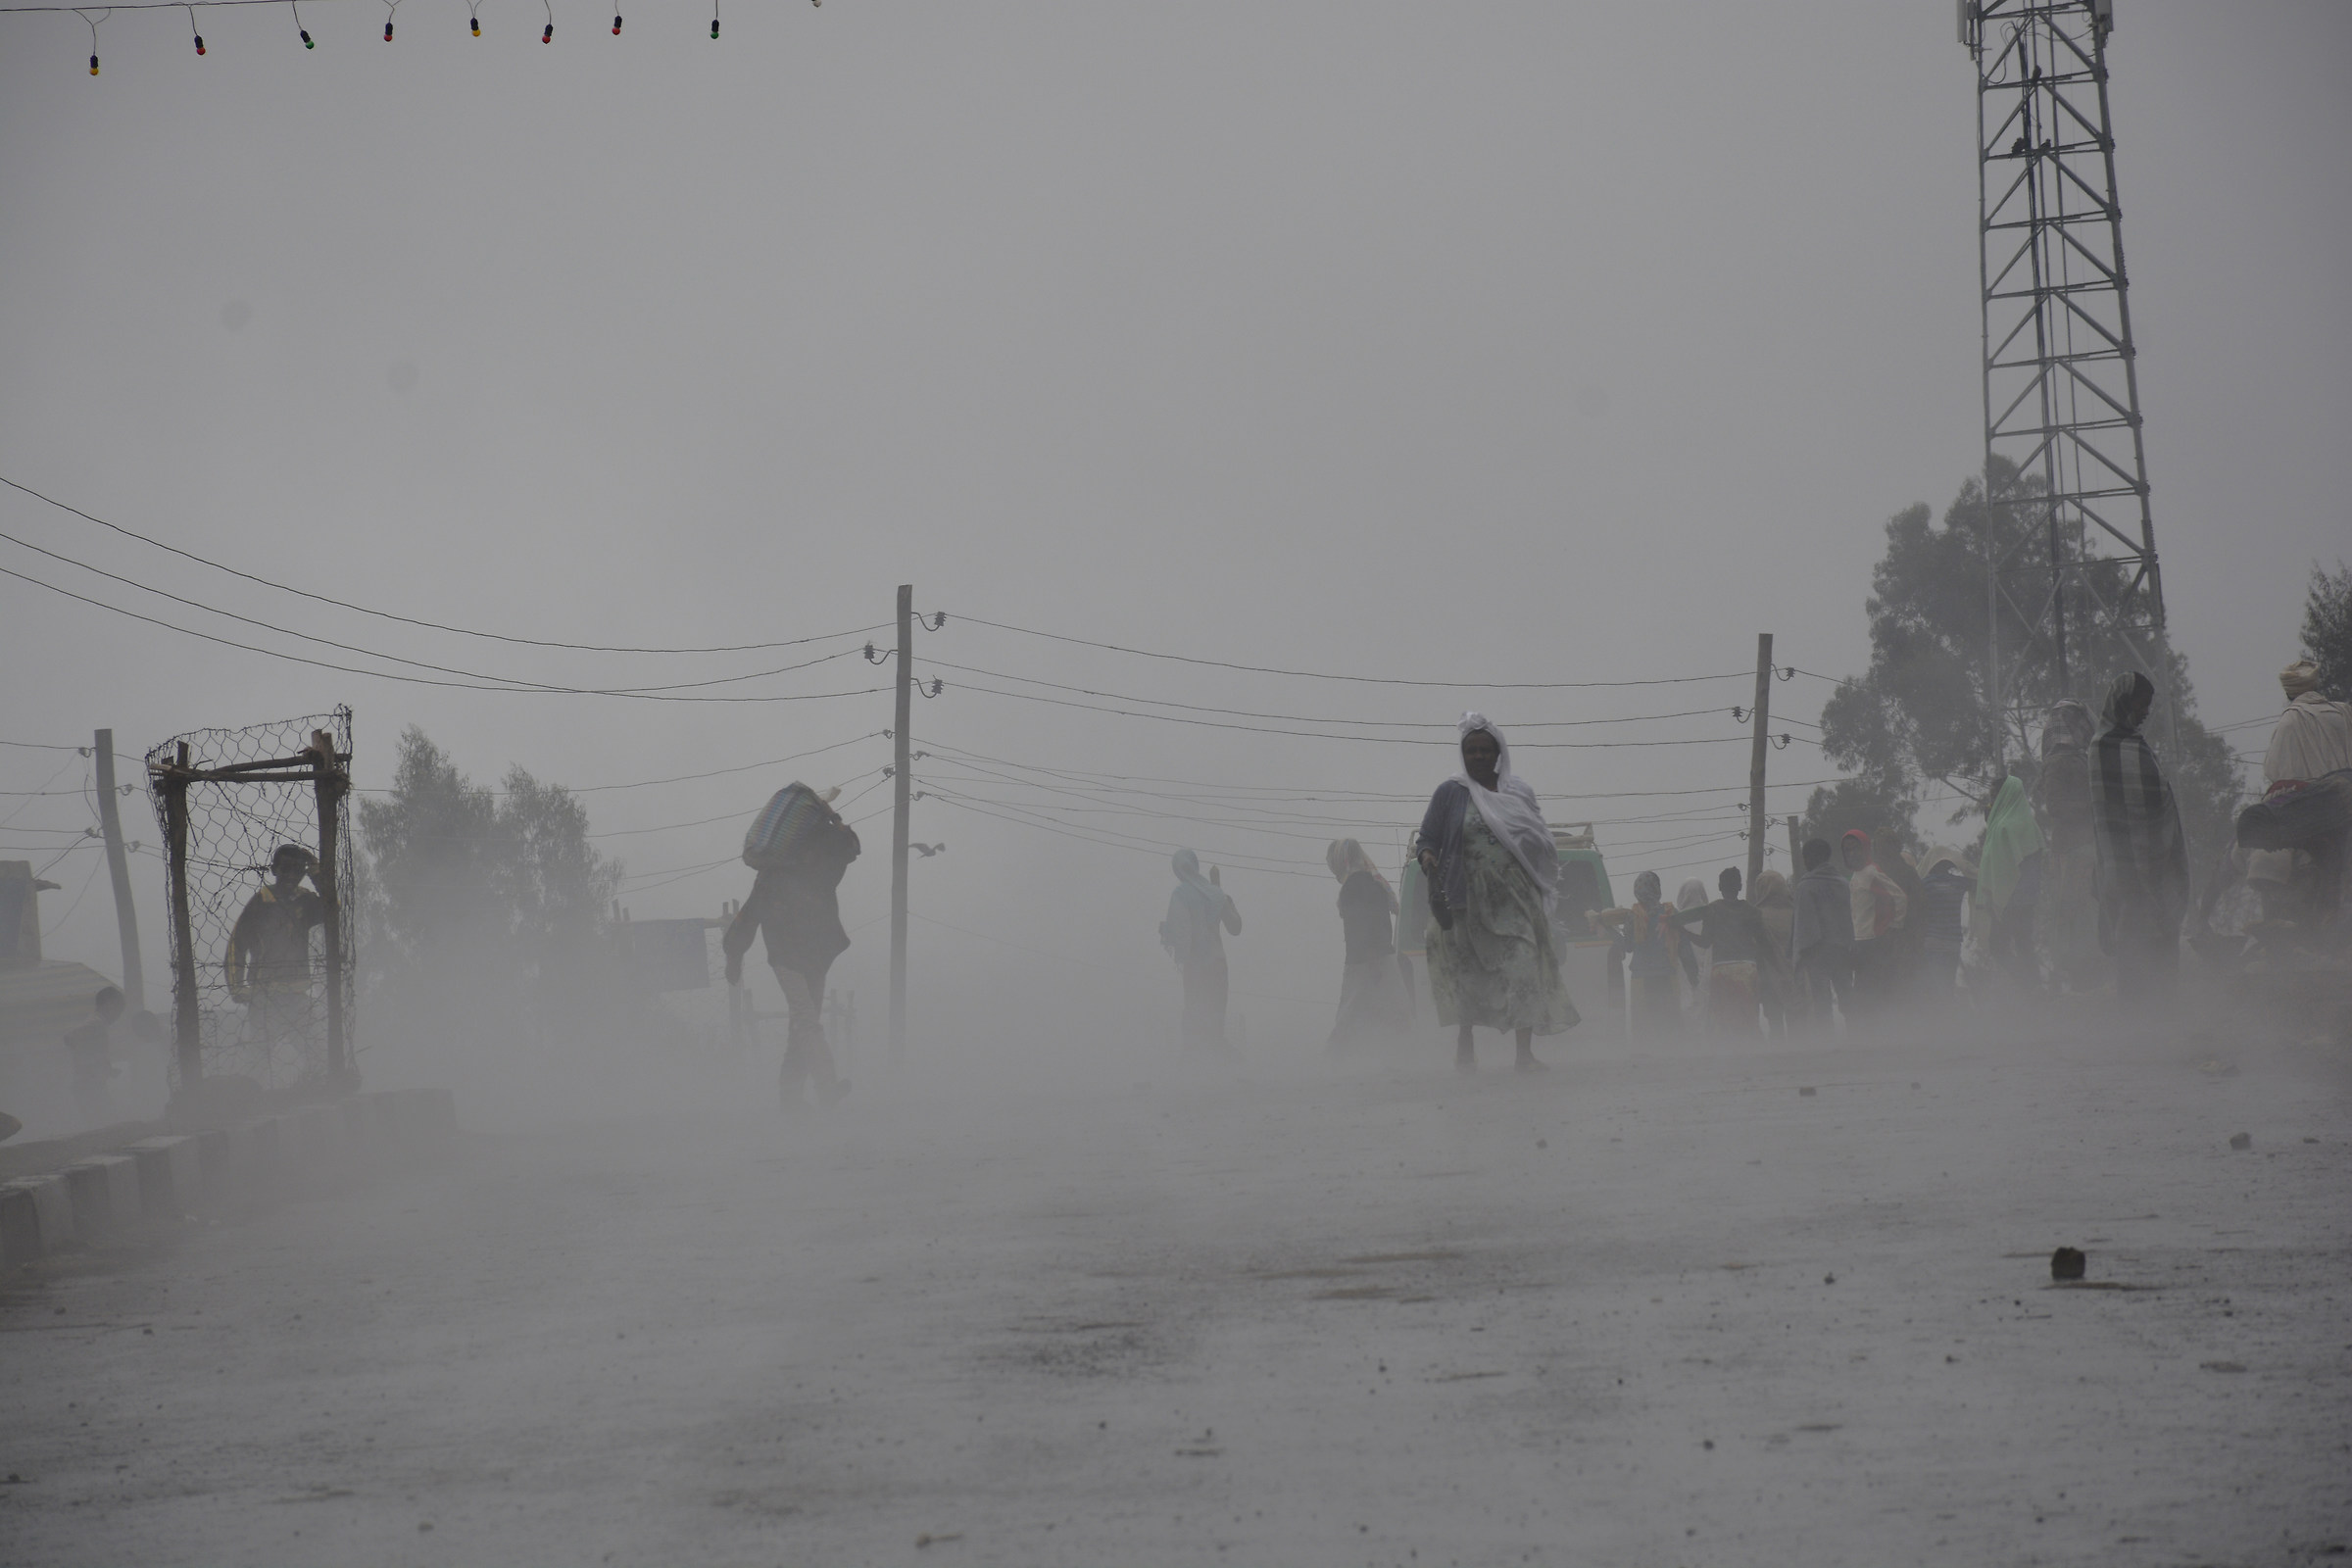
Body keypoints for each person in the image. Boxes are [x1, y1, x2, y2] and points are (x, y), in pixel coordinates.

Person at [1416, 713, 1577, 1072]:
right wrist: (1428, 858)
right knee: (1467, 973)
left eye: (1484, 750)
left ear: (1498, 753)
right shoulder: (1450, 793)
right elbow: (1427, 837)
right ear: (1463, 754)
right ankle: (1465, 1042)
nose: (1478, 756)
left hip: (1514, 900)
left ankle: (1523, 1055)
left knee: (1523, 967)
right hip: (1464, 899)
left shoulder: (1517, 793)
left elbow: (1536, 841)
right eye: (1471, 750)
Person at [724, 789, 860, 1105]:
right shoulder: (780, 873)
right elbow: (751, 913)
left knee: (801, 1025)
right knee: (806, 1020)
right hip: (791, 956)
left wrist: (831, 816)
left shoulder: (816, 863)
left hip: (813, 953)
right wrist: (734, 955)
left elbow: (850, 847)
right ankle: (826, 1087)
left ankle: (790, 1098)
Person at [2089, 670, 2190, 999]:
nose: (2146, 711)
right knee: (2133, 939)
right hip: (2124, 870)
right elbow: (2108, 817)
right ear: (2123, 702)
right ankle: (2137, 1020)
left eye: (2149, 704)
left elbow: (2157, 800)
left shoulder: (2137, 745)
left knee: (2161, 937)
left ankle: (2164, 1015)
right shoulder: (2102, 748)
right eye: (2141, 703)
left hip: (2157, 864)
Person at [224, 845, 326, 1059]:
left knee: (314, 1052)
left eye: (299, 870)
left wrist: (317, 872)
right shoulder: (261, 903)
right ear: (274, 870)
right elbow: (237, 945)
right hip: (265, 997)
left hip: (297, 996)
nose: (291, 875)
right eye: (286, 869)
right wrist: (237, 987)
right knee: (260, 1057)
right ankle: (255, 1091)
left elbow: (332, 907)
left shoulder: (305, 901)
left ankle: (316, 1086)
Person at [2034, 700, 2104, 992]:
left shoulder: (2071, 759)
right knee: (2078, 912)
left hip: (2079, 847)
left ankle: (2086, 974)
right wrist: (2093, 808)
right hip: (2076, 849)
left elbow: (2053, 805)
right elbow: (2056, 806)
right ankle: (2082, 975)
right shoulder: (2066, 760)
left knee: (2080, 912)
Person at [1666, 867, 1782, 1037]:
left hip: (1721, 972)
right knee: (1748, 1016)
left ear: (1720, 887)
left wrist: (1683, 931)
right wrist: (1779, 967)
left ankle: (1728, 1055)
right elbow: (1765, 945)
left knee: (1724, 1020)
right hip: (1748, 970)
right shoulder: (1753, 912)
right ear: (1740, 886)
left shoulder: (1712, 910)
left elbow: (1705, 942)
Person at [1325, 838, 1410, 1051]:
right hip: (1379, 959)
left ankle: (1335, 1059)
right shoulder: (1371, 882)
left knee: (1350, 1014)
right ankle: (1402, 1053)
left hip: (1366, 963)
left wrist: (1372, 961)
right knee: (1396, 1010)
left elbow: (1364, 924)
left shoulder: (1355, 885)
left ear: (1341, 860)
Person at [1159, 848, 1243, 1053]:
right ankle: (1216, 1056)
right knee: (1216, 1011)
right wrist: (1224, 897)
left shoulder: (1180, 894)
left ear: (1178, 871)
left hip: (1196, 965)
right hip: (1218, 963)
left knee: (1195, 1011)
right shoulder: (1216, 894)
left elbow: (1181, 934)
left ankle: (1196, 1059)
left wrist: (1166, 932)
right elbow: (1235, 927)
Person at [1593, 871, 1684, 1041]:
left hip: (1642, 979)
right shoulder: (1670, 912)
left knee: (1648, 1025)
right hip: (1668, 976)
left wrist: (1611, 931)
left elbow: (1627, 947)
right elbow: (1681, 943)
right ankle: (1673, 1053)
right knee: (1670, 1021)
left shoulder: (1632, 917)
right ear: (1657, 888)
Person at [1977, 774, 2046, 990]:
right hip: (2027, 898)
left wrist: (1993, 895)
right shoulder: (2029, 824)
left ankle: (2029, 986)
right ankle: (2034, 988)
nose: (1992, 801)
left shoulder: (2003, 827)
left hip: (2008, 899)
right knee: (2024, 945)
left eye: (1995, 795)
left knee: (1998, 946)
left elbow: (1997, 865)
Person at [1791, 838, 1855, 1030]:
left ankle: (1826, 1040)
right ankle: (1857, 1034)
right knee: (1847, 995)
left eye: (1806, 857)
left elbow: (1805, 925)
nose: (1805, 862)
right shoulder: (1843, 883)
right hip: (1842, 950)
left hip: (1816, 953)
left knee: (1821, 1000)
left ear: (1813, 858)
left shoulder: (1806, 886)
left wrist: (1801, 955)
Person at [1840, 830, 1907, 1011]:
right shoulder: (1855, 876)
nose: (1851, 854)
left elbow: (1899, 897)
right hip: (1858, 941)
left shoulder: (1872, 873)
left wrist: (1895, 926)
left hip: (1873, 942)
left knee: (1870, 991)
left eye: (1855, 849)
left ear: (1866, 849)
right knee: (1861, 990)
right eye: (1847, 850)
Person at [64, 985, 127, 1128]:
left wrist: (105, 1067)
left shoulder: (98, 1023)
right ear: (109, 1004)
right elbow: (69, 1038)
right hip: (88, 1085)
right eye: (119, 1011)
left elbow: (91, 1051)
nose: (118, 1017)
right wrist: (89, 1065)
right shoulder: (96, 1023)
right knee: (106, 1124)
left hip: (90, 1084)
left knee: (104, 1123)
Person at [1916, 848, 1974, 994]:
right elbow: (1977, 880)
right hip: (1952, 942)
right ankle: (1947, 1013)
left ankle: (1936, 1013)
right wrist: (1965, 865)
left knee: (1933, 986)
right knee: (1947, 985)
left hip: (1931, 940)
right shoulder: (1959, 883)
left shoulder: (1925, 884)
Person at [1750, 867, 1797, 1034]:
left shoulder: (1757, 915)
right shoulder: (1795, 912)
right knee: (1796, 1020)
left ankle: (1777, 1057)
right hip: (1795, 975)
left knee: (1775, 1022)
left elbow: (1756, 948)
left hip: (1768, 975)